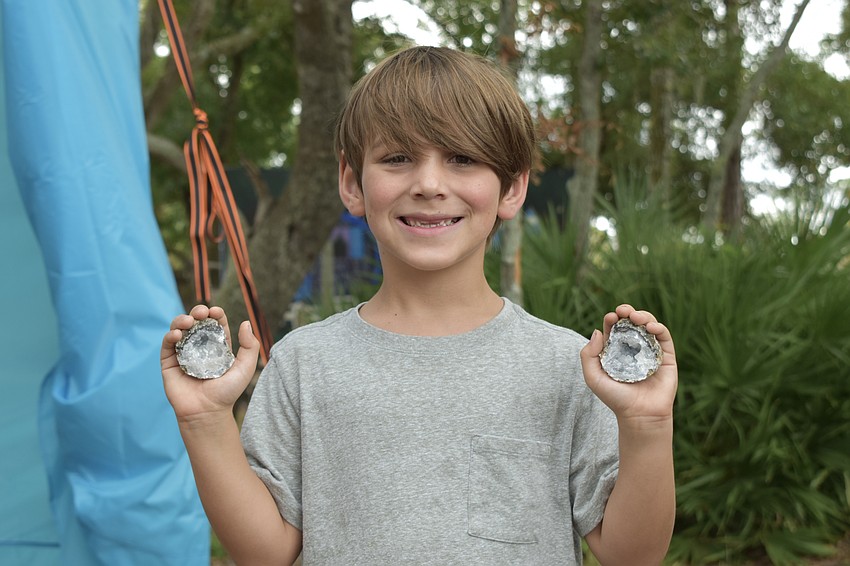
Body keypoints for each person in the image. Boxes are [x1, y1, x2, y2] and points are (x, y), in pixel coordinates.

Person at [161, 46, 677, 565]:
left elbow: (632, 556)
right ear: (351, 182)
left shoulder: (568, 366)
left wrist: (649, 427)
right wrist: (206, 420)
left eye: (463, 158)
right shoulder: (303, 363)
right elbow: (265, 552)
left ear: (513, 187)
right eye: (397, 158)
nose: (429, 185)